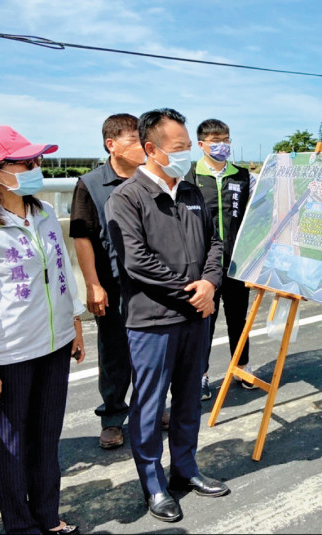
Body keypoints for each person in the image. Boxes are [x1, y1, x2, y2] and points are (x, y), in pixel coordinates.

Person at [0, 125, 86, 535]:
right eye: (25, 162)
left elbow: (60, 273)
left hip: (53, 346)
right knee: (9, 452)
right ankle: (21, 527)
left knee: (46, 442)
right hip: (8, 357)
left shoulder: (40, 213)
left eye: (36, 161)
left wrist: (73, 325)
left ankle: (47, 516)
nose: (35, 168)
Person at [105, 108, 229, 523]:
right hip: (154, 320)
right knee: (149, 404)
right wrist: (191, 292)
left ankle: (186, 469)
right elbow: (136, 262)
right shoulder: (126, 198)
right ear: (151, 149)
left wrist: (210, 284)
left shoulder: (192, 192)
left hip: (197, 316)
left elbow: (214, 243)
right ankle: (152, 482)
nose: (186, 154)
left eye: (188, 147)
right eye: (179, 148)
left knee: (190, 397)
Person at [70, 113, 151, 450]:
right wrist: (93, 285)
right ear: (112, 145)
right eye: (134, 141)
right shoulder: (90, 184)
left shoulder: (152, 179)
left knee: (151, 351)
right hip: (113, 283)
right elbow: (82, 236)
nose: (142, 148)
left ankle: (151, 409)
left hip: (150, 284)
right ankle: (113, 417)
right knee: (115, 353)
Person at [186, 118, 256, 400]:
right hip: (203, 266)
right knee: (204, 321)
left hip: (238, 262)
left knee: (239, 319)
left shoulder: (243, 176)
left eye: (226, 140)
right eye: (216, 142)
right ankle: (200, 375)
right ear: (202, 145)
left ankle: (242, 366)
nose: (222, 146)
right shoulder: (189, 177)